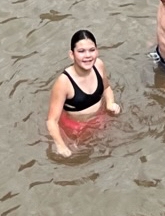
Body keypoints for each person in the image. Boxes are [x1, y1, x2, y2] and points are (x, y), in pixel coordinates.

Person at [45, 29, 120, 157]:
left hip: (100, 118)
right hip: (75, 128)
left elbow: (107, 88)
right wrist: (61, 145)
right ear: (71, 54)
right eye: (81, 51)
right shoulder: (64, 82)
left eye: (92, 50)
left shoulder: (99, 65)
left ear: (97, 51)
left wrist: (110, 103)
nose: (88, 56)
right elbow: (51, 121)